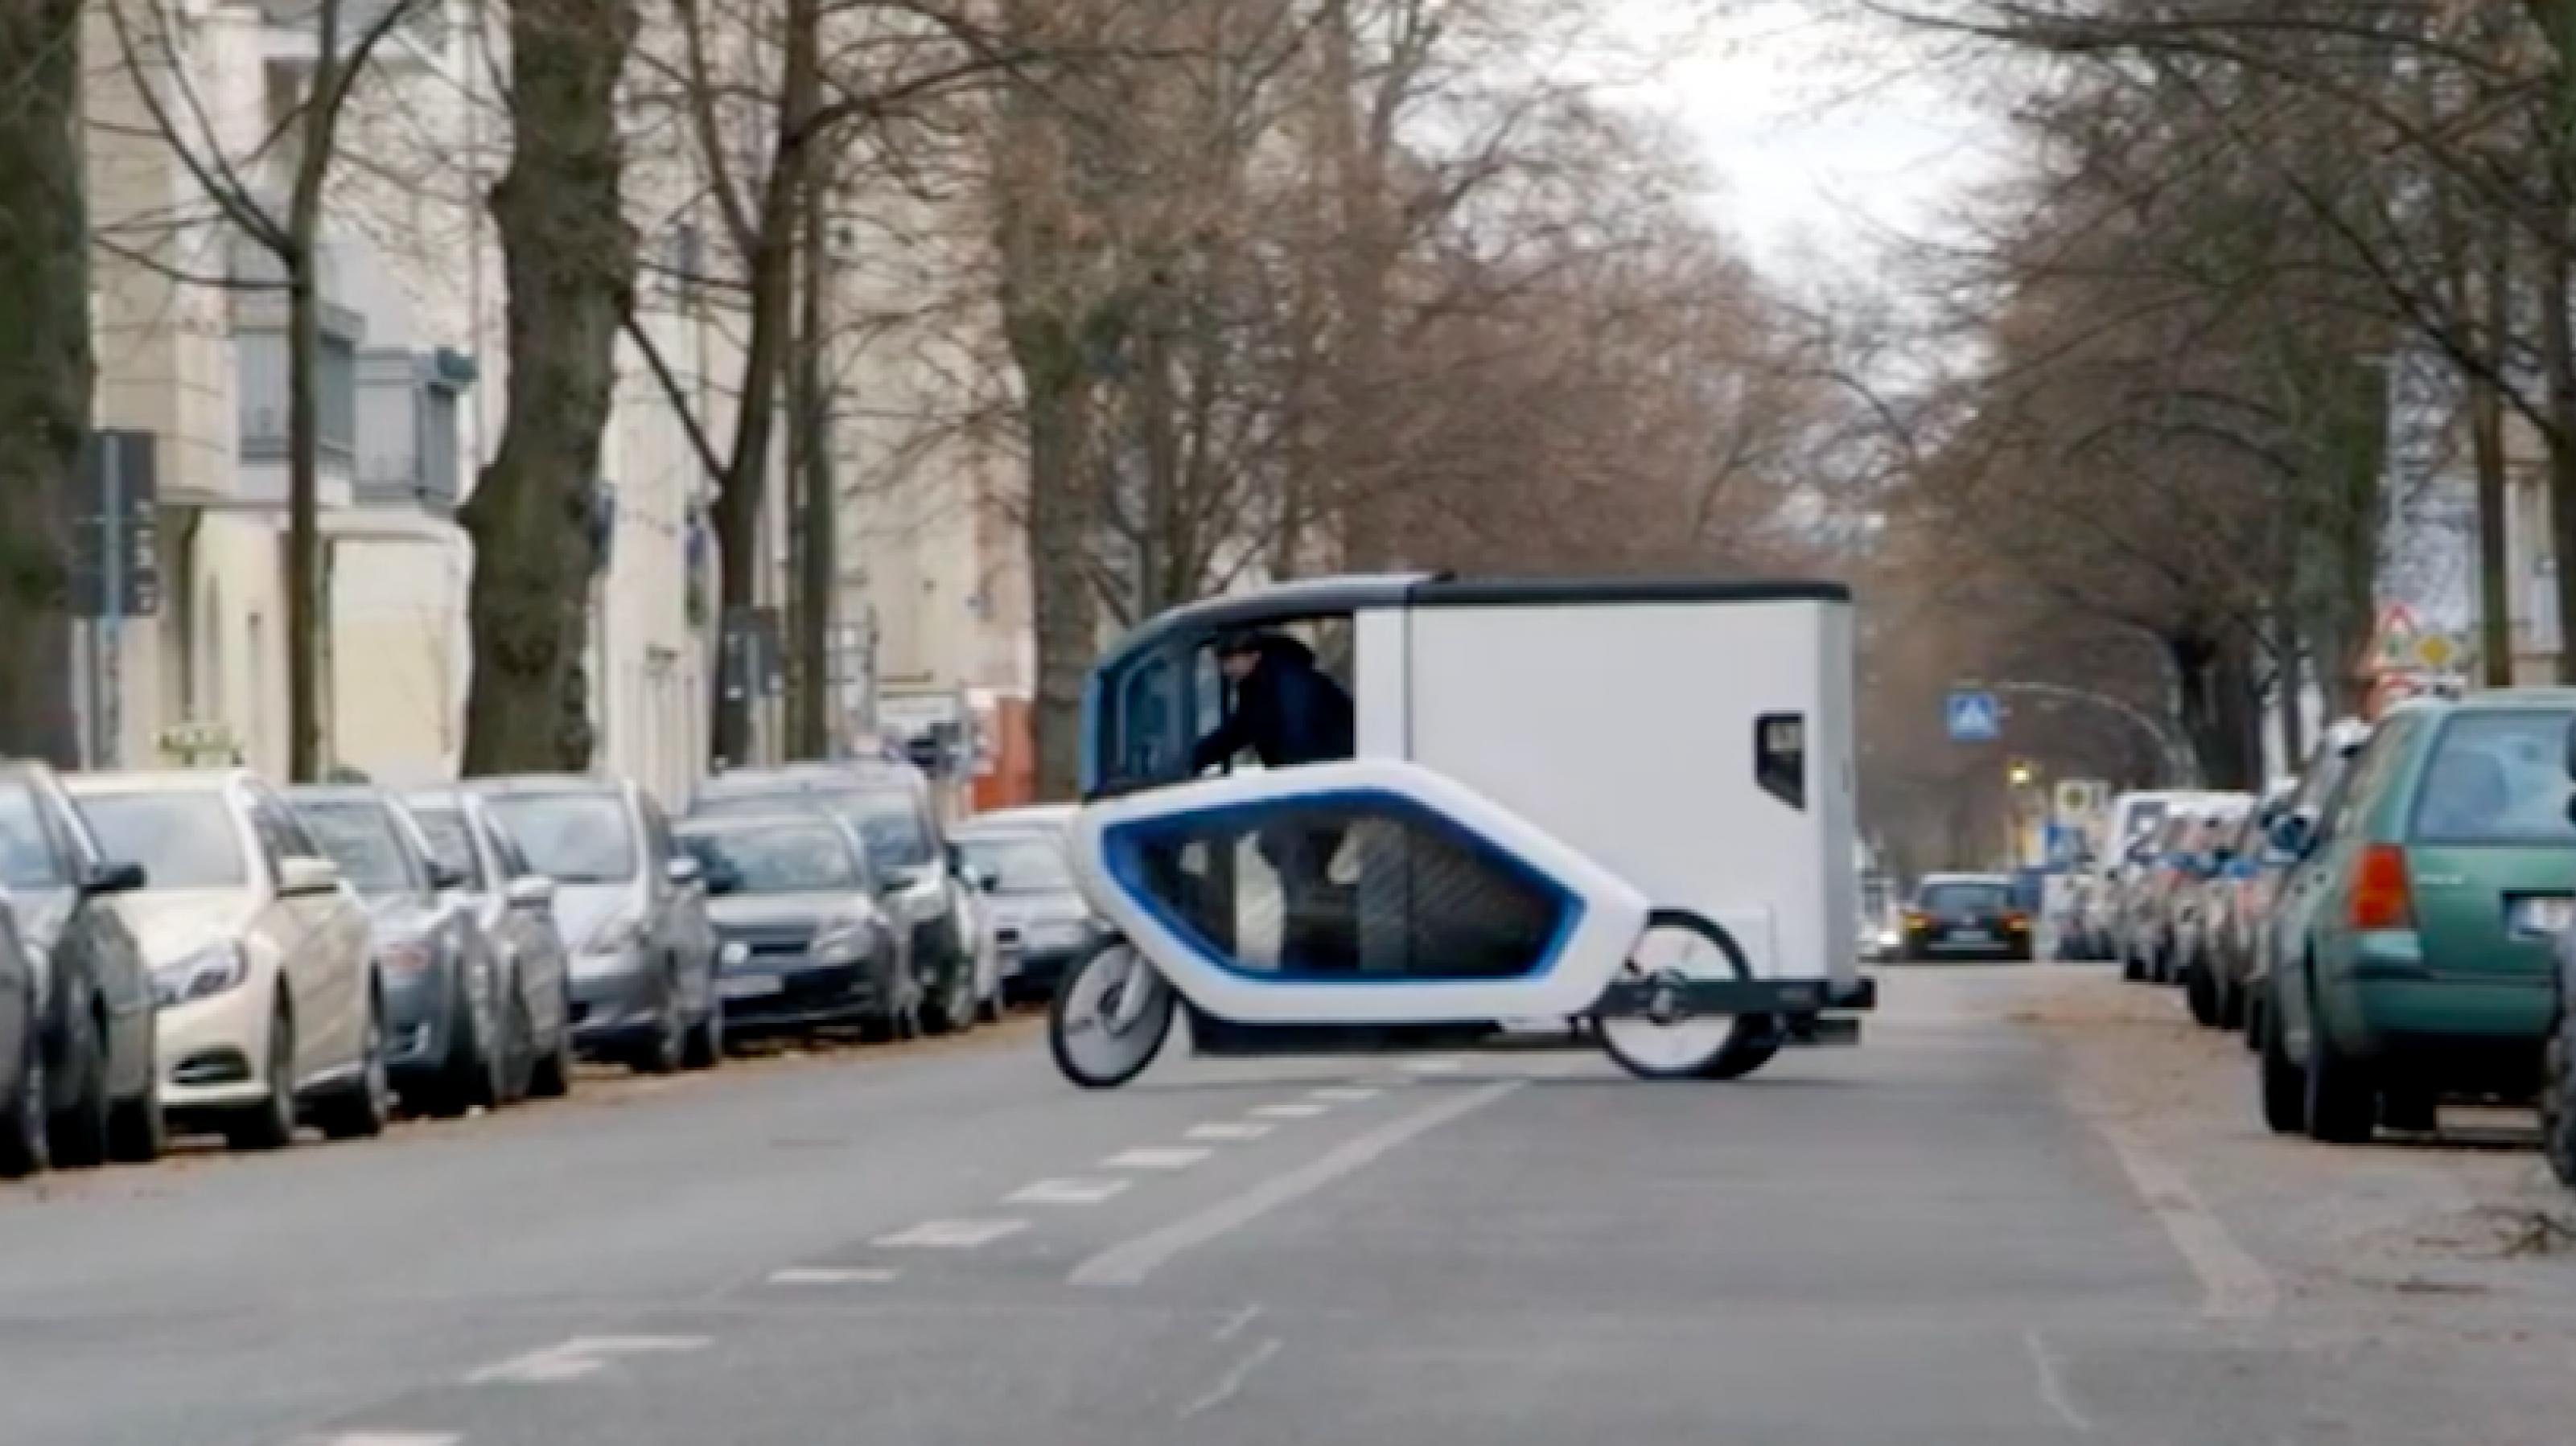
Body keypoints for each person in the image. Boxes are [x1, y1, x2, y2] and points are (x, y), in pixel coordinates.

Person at [1191, 630, 1357, 971]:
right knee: (1297, 873)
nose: (1226, 671)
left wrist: (1288, 799)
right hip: (1316, 797)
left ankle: (1303, 960)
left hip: (1316, 798)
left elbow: (1300, 745)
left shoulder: (1289, 685)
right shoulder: (1263, 687)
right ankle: (1315, 950)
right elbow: (1238, 732)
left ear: (1253, 655)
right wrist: (1195, 757)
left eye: (1229, 661)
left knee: (1297, 874)